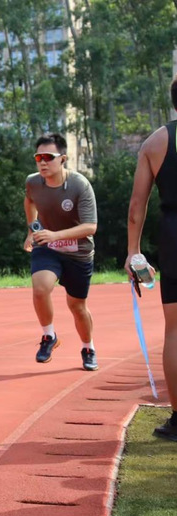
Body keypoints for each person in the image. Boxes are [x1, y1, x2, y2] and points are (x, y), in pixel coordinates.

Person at [126, 75, 177, 442]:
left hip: (174, 235)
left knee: (175, 330)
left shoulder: (156, 142)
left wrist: (133, 251)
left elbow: (136, 206)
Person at [23, 133, 98, 371]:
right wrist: (32, 228)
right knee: (40, 288)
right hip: (47, 247)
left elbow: (90, 227)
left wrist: (55, 235)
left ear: (63, 159)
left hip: (79, 252)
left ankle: (88, 347)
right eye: (38, 158)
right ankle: (49, 336)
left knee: (77, 306)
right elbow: (29, 201)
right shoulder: (33, 182)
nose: (42, 162)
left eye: (48, 157)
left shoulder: (79, 185)